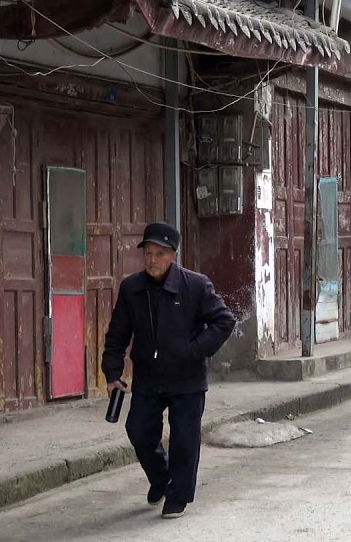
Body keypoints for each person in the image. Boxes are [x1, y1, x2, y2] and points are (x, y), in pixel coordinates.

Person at [102, 222, 237, 519]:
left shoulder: (196, 285)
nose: (152, 259)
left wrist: (193, 350)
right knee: (137, 430)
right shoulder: (131, 288)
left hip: (187, 379)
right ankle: (162, 479)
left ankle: (178, 496)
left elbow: (224, 321)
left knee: (184, 441)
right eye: (148, 253)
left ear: (173, 255)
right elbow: (117, 335)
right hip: (149, 377)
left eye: (160, 254)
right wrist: (112, 374)